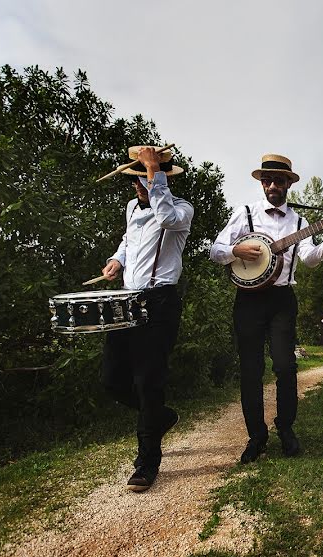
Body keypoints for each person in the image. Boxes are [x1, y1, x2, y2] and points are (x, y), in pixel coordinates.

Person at [210, 154, 323, 463]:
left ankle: (286, 429)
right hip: (248, 301)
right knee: (251, 370)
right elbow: (215, 250)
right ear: (261, 183)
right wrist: (235, 250)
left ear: (288, 184)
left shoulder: (299, 223)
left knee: (285, 366)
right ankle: (256, 436)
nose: (273, 185)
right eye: (267, 180)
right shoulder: (244, 213)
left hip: (282, 299)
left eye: (279, 180)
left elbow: (310, 259)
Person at [101, 145, 194, 492]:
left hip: (160, 302)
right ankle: (161, 417)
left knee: (147, 381)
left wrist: (154, 168)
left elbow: (165, 217)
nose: (142, 184)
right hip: (127, 300)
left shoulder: (182, 209)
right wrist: (117, 260)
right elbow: (129, 239)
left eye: (148, 177)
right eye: (138, 178)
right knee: (112, 379)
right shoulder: (130, 207)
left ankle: (146, 463)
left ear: (161, 178)